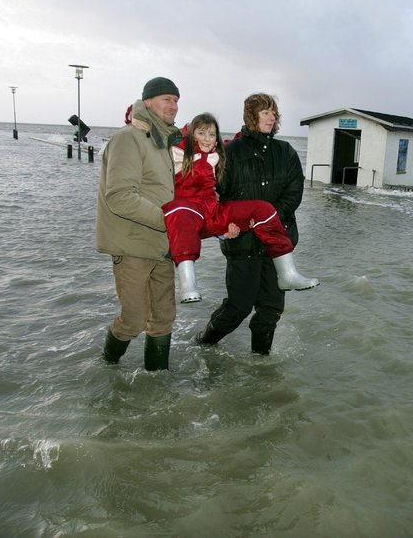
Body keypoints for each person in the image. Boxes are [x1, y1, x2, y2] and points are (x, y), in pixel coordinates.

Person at [195, 93, 315, 355]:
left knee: (271, 309)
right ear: (251, 116)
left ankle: (260, 365)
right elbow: (217, 196)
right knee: (238, 307)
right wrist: (226, 226)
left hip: (276, 246)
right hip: (242, 243)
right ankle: (202, 345)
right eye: (265, 112)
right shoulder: (230, 152)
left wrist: (267, 218)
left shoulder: (286, 152)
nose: (272, 117)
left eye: (274, 113)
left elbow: (294, 193)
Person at [162, 112, 319, 304]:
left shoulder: (217, 154)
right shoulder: (177, 151)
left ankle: (287, 274)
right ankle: (188, 284)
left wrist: (253, 129)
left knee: (264, 209)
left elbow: (239, 143)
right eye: (201, 133)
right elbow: (156, 142)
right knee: (179, 210)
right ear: (192, 133)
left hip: (213, 214)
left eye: (212, 134)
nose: (207, 139)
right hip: (188, 215)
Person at [95, 77, 182, 371]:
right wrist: (169, 222)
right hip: (132, 244)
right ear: (147, 103)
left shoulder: (163, 142)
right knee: (133, 320)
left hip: (162, 247)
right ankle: (106, 367)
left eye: (176, 100)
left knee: (164, 319)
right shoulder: (129, 138)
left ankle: (157, 389)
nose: (173, 105)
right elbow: (119, 196)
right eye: (166, 99)